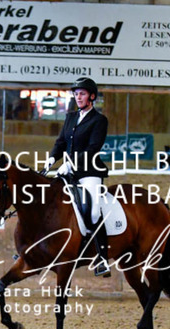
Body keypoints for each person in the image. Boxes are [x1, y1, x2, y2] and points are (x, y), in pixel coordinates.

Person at [44, 77, 111, 277]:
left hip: (89, 172)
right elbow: (61, 142)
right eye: (76, 94)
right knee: (47, 201)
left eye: (82, 93)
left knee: (93, 212)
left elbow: (93, 148)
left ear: (92, 96)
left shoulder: (99, 120)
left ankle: (102, 258)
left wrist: (70, 163)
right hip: (68, 171)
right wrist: (51, 159)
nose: (78, 97)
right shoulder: (71, 117)